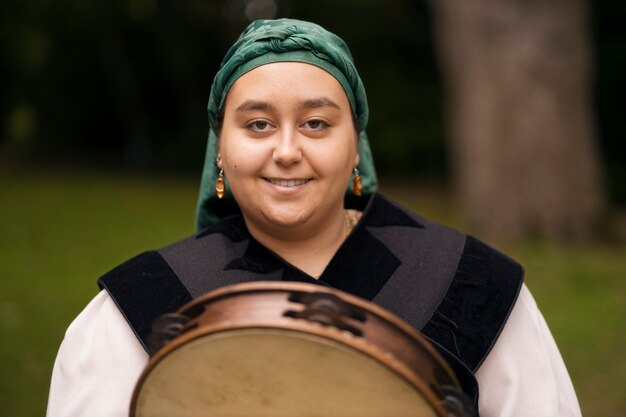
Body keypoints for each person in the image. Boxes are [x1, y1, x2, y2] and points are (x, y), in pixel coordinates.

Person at [46, 18, 581, 417]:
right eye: (257, 124)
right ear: (221, 155)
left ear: (355, 148)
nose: (286, 149)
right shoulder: (134, 310)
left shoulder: (474, 287)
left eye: (316, 123)